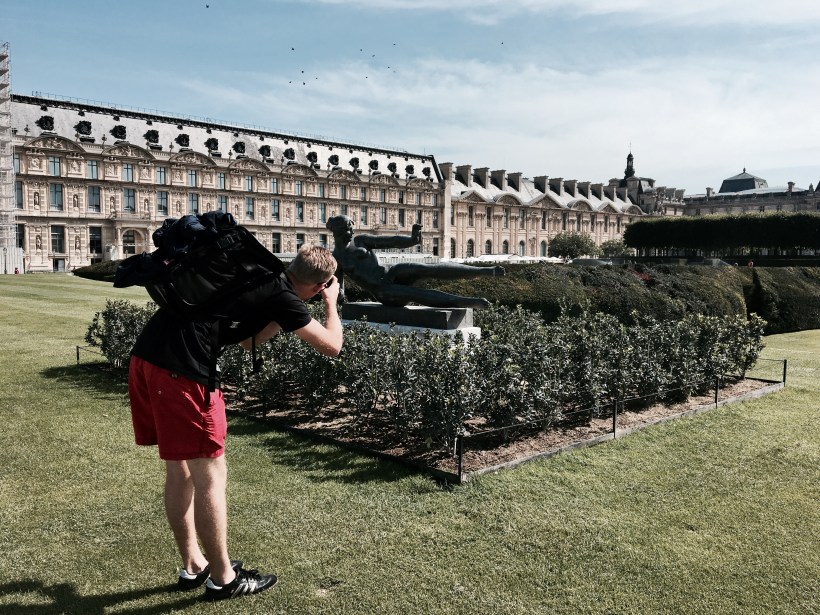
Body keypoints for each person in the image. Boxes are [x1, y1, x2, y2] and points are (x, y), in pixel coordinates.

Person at [127, 245, 343, 601]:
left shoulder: (260, 276)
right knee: (211, 475)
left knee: (180, 469)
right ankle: (223, 578)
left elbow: (246, 342)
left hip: (147, 358)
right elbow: (332, 345)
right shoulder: (286, 295)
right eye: (324, 287)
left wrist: (281, 316)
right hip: (183, 372)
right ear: (320, 284)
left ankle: (194, 564)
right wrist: (331, 303)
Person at [325, 215, 504, 309]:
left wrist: (411, 240)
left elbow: (392, 241)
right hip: (382, 290)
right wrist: (339, 298)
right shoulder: (336, 258)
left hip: (391, 272)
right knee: (416, 293)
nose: (351, 232)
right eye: (347, 229)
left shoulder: (360, 240)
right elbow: (337, 284)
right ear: (337, 232)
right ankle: (465, 302)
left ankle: (484, 271)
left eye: (351, 228)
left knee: (427, 268)